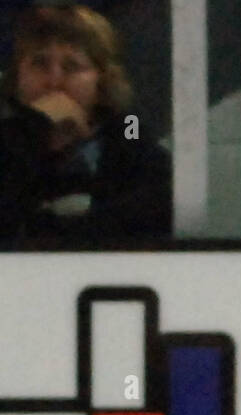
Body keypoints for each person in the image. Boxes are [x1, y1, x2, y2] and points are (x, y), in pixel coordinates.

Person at [0, 5, 171, 246]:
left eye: (72, 67)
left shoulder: (129, 126)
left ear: (101, 80)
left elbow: (156, 200)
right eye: (39, 64)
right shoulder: (7, 138)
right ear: (17, 77)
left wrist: (50, 228)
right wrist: (34, 130)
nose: (54, 81)